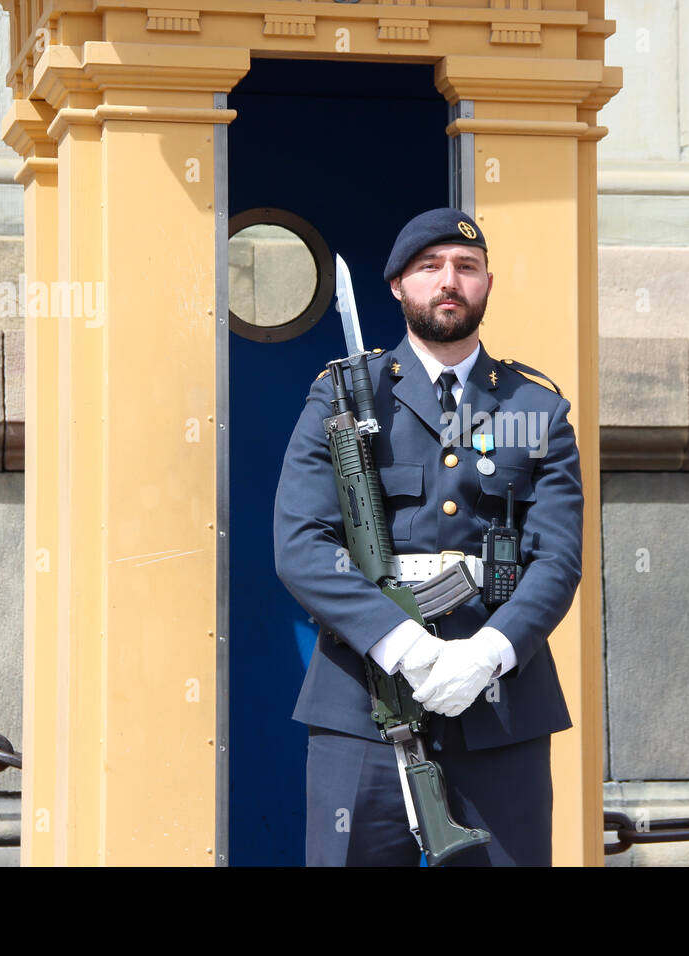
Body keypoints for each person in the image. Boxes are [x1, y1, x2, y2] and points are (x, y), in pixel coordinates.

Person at [273, 207, 584, 866]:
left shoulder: (535, 410)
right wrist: (408, 647)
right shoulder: (344, 398)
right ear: (397, 286)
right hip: (365, 701)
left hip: (500, 707)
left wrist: (488, 654)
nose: (450, 281)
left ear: (488, 284)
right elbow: (302, 544)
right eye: (429, 267)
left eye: (466, 268)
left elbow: (555, 559)